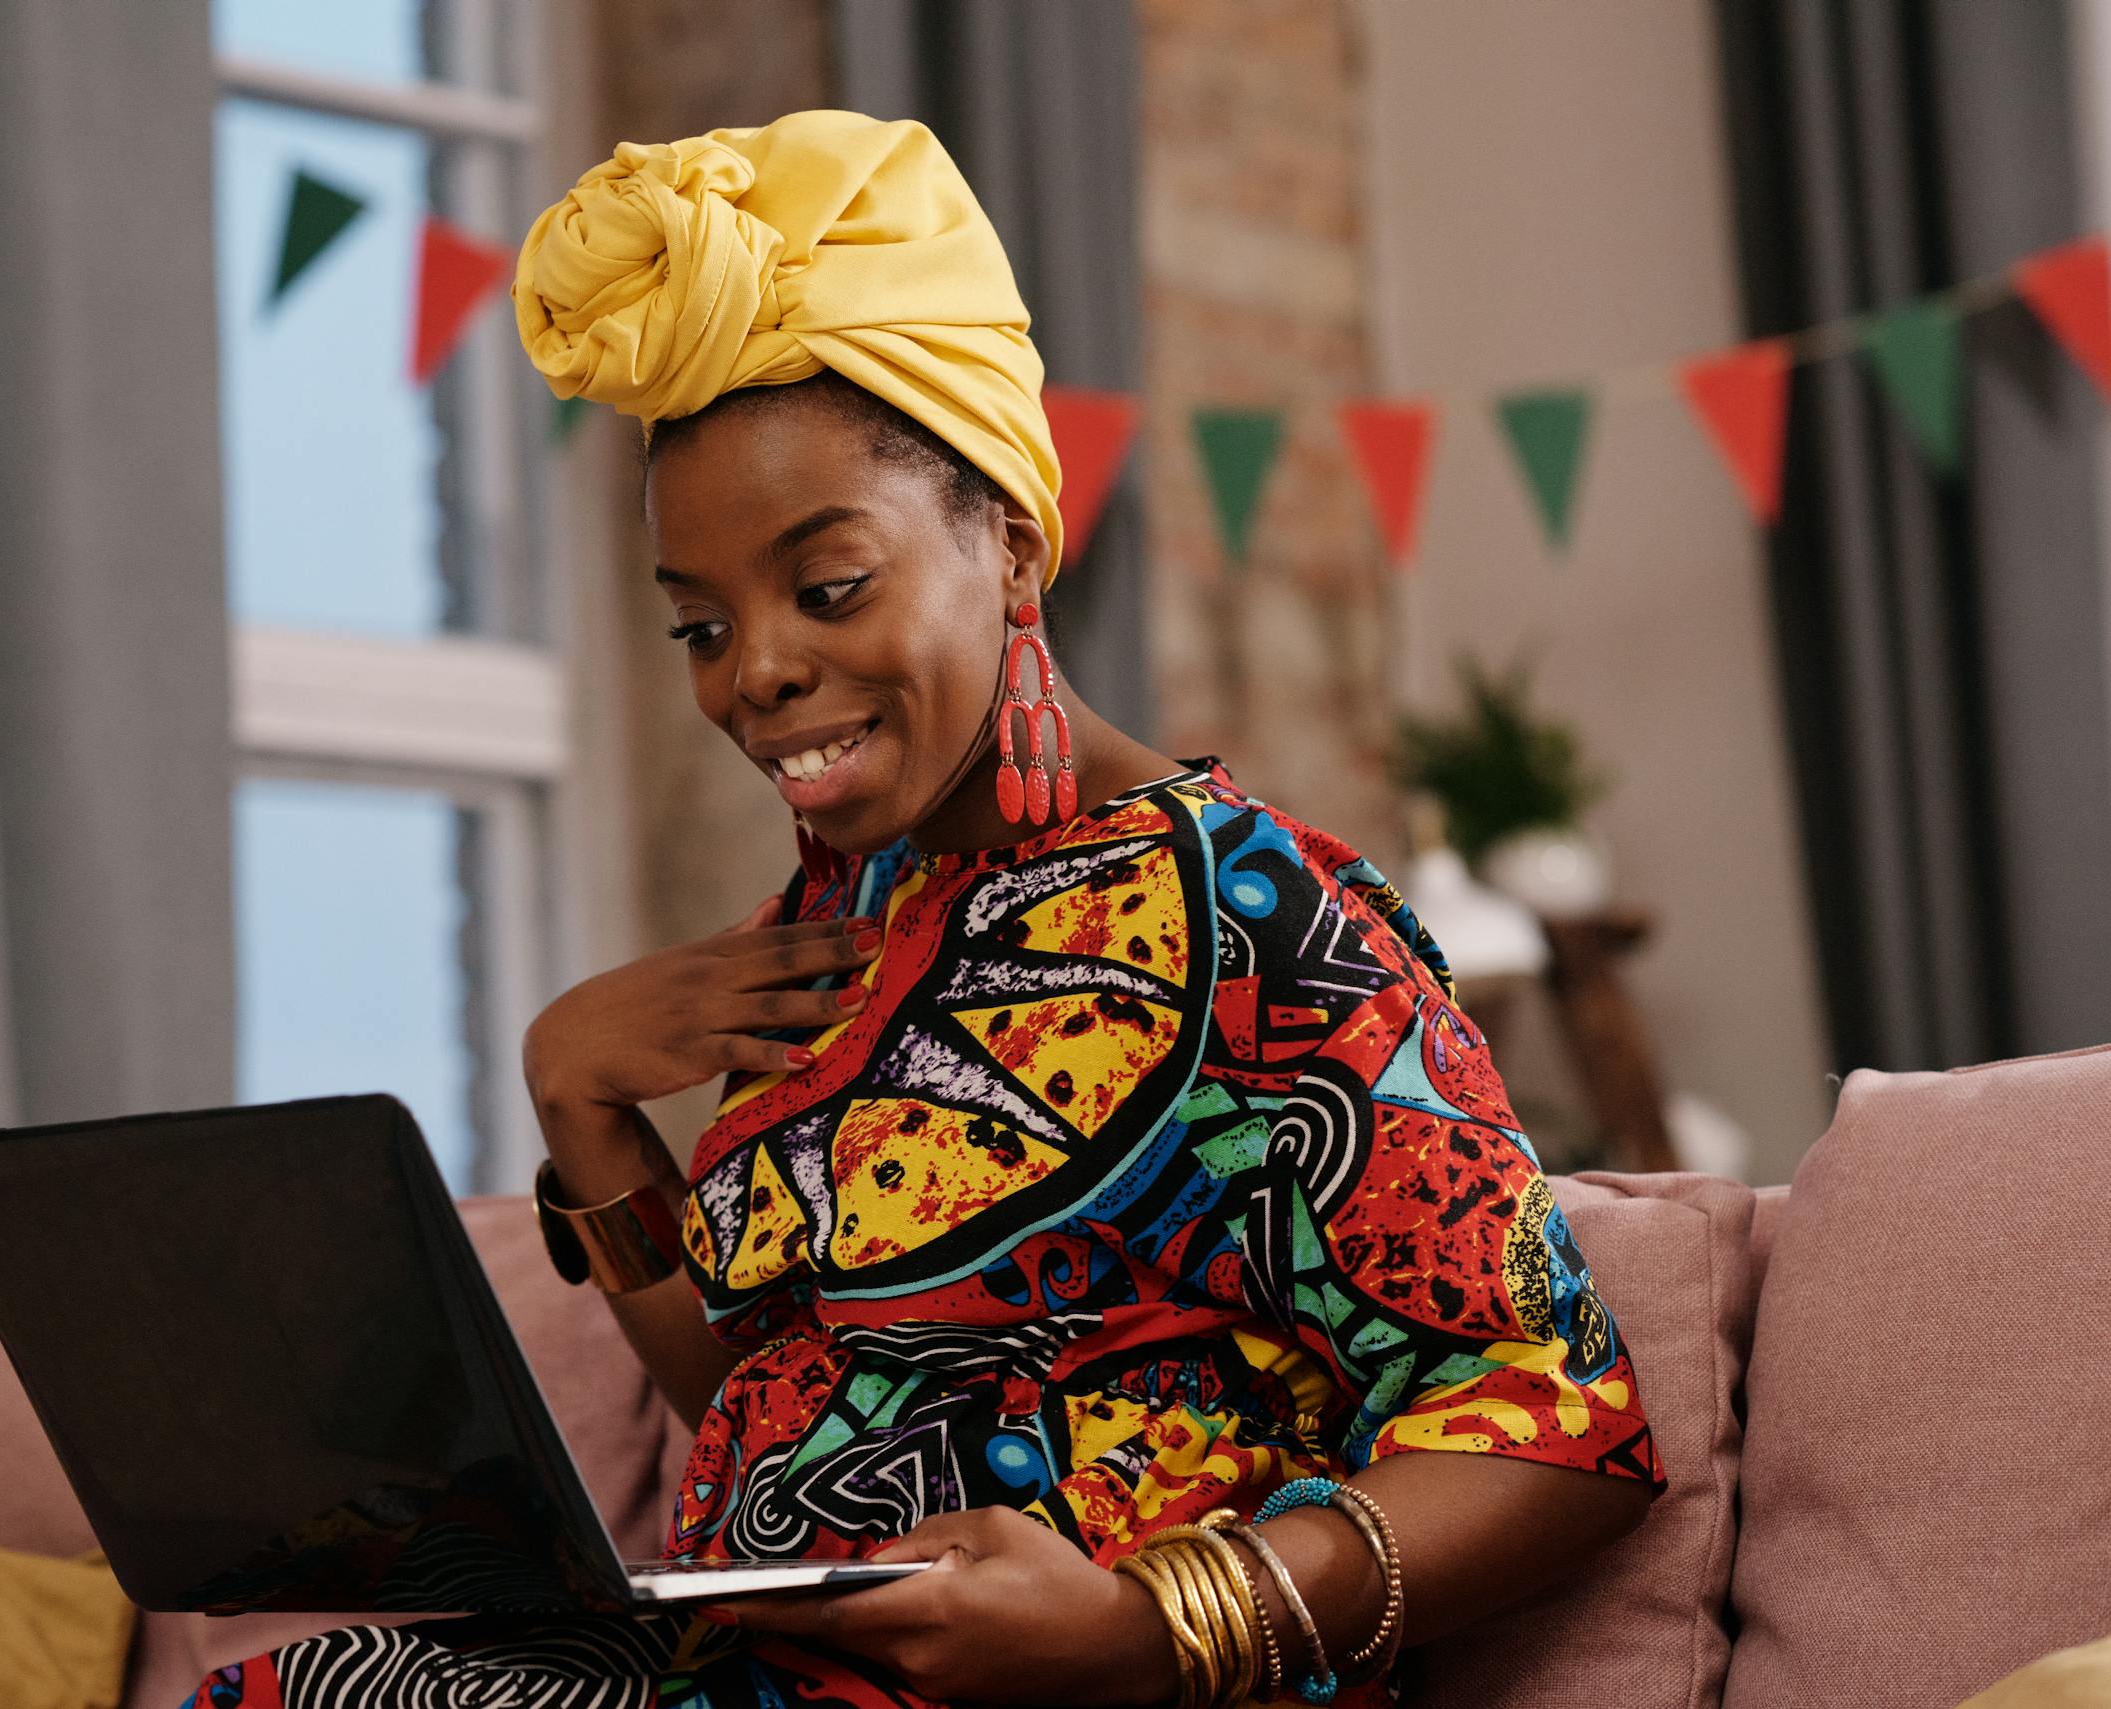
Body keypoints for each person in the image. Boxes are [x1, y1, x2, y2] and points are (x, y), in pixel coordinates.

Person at [185, 109, 1661, 1709]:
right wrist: (584, 1103)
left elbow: (1556, 1418)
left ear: (1012, 544)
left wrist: (1155, 1622)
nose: (753, 671)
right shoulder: (840, 923)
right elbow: (772, 1394)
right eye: (698, 625)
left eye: (827, 588)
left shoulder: (1259, 909)